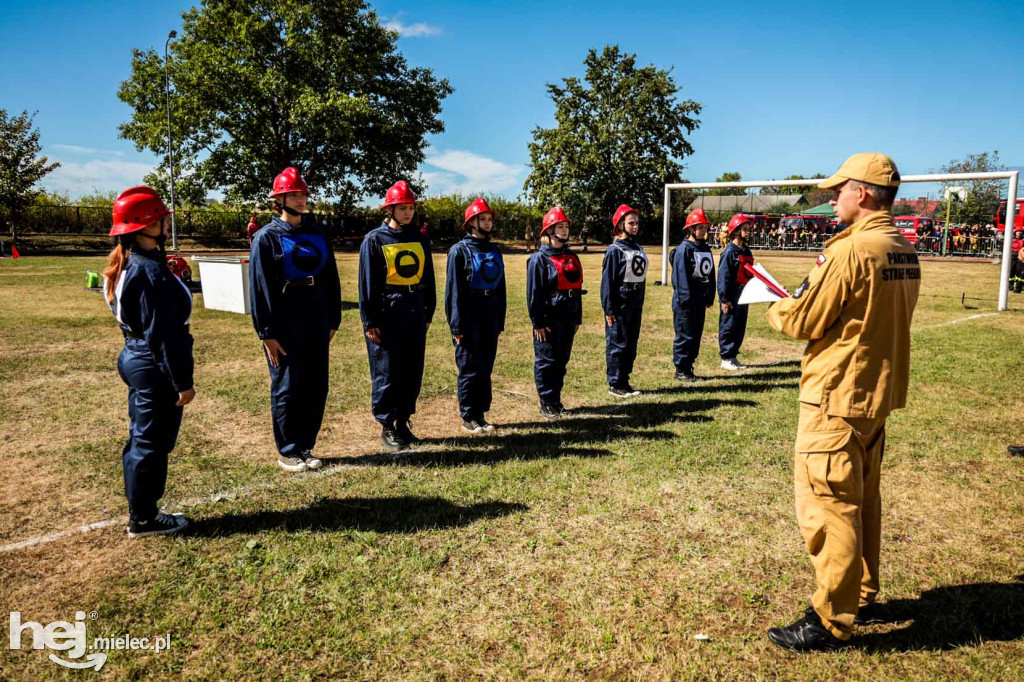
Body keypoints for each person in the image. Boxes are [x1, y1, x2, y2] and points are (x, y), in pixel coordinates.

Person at [765, 152, 920, 652]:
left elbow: (803, 320)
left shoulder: (852, 251)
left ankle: (831, 618)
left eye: (840, 189)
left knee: (830, 506)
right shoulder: (901, 247)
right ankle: (863, 592)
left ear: (865, 193)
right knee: (863, 501)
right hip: (874, 396)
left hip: (836, 396)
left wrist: (775, 306)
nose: (833, 196)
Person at [104, 186, 194, 538]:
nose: (166, 224)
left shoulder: (130, 261)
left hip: (136, 355)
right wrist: (181, 381)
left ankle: (142, 511)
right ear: (145, 225)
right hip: (152, 362)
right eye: (160, 218)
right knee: (151, 442)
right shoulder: (149, 270)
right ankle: (143, 518)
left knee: (142, 437)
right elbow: (165, 336)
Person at [250, 167, 342, 472]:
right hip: (286, 320)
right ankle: (288, 450)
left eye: (303, 194)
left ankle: (305, 445)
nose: (301, 199)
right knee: (288, 385)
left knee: (316, 384)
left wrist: (333, 319)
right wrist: (266, 332)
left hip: (316, 315)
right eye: (294, 194)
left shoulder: (317, 234)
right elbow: (260, 288)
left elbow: (331, 278)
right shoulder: (266, 238)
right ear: (279, 199)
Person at [359, 181, 436, 451]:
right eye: (402, 208)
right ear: (390, 209)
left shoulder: (419, 239)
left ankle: (403, 421)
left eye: (411, 208)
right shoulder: (375, 240)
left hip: (414, 312)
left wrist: (429, 311)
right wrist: (370, 320)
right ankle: (387, 425)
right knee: (387, 371)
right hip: (388, 315)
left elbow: (428, 278)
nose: (407, 213)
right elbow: (367, 283)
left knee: (411, 370)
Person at [445, 198, 506, 433]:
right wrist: (457, 326)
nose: (488, 223)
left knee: (485, 366)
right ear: (471, 222)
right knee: (469, 366)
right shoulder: (459, 251)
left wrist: (499, 317)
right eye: (483, 219)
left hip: (490, 313)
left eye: (490, 219)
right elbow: (454, 291)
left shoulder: (493, 249)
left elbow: (501, 286)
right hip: (470, 314)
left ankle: (480, 413)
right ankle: (468, 415)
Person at [527, 206, 582, 419]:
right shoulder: (538, 259)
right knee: (547, 361)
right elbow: (534, 294)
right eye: (560, 226)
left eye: (566, 226)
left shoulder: (571, 256)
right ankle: (546, 402)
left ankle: (556, 400)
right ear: (549, 230)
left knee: (561, 360)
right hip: (549, 319)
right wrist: (538, 322)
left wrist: (577, 316)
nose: (565, 230)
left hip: (568, 316)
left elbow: (576, 288)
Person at [601, 204, 648, 397]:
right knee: (618, 341)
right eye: (631, 223)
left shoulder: (638, 248)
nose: (635, 226)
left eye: (636, 223)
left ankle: (625, 380)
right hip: (621, 301)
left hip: (635, 301)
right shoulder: (614, 250)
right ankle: (615, 382)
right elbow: (608, 282)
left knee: (631, 341)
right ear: (620, 225)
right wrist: (609, 308)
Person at [670, 208, 716, 382]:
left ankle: (689, 367)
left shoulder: (704, 248)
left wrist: (710, 296)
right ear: (690, 229)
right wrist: (686, 299)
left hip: (699, 299)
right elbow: (680, 277)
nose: (704, 231)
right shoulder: (684, 249)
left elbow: (710, 274)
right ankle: (681, 369)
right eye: (700, 227)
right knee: (685, 334)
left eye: (705, 227)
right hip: (686, 301)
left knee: (695, 335)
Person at [717, 214, 755, 370]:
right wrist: (724, 298)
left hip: (744, 293)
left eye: (748, 229)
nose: (748, 232)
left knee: (740, 325)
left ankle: (733, 355)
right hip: (732, 294)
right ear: (736, 231)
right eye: (745, 229)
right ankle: (726, 357)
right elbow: (723, 276)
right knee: (729, 324)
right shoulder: (729, 252)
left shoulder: (746, 251)